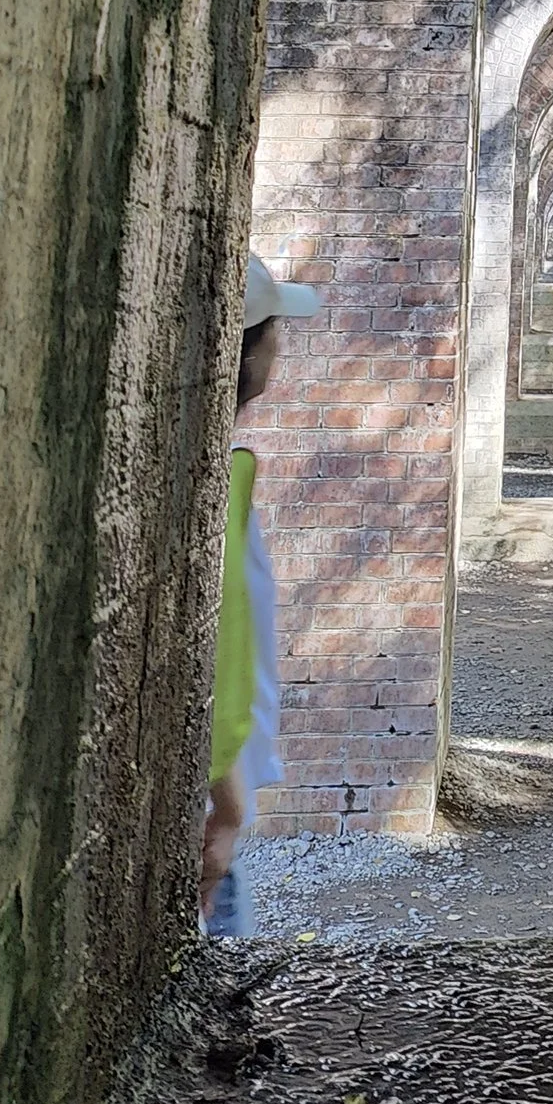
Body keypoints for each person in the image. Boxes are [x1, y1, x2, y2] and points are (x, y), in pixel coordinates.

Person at [202, 250, 323, 938]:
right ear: (242, 350)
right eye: (273, 330)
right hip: (206, 804)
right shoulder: (215, 489)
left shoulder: (220, 470)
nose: (281, 345)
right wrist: (227, 808)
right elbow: (214, 659)